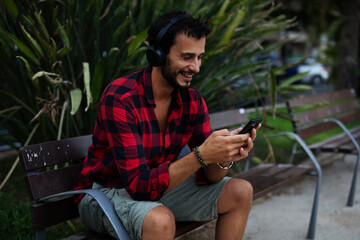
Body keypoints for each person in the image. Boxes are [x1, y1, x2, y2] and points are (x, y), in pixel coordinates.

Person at [74, 10, 260, 240]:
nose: (196, 67)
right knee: (160, 220)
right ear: (158, 54)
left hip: (158, 187)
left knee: (240, 192)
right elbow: (139, 186)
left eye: (200, 57)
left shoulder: (192, 100)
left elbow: (211, 176)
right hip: (108, 192)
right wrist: (201, 155)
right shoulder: (121, 98)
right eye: (187, 57)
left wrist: (224, 156)